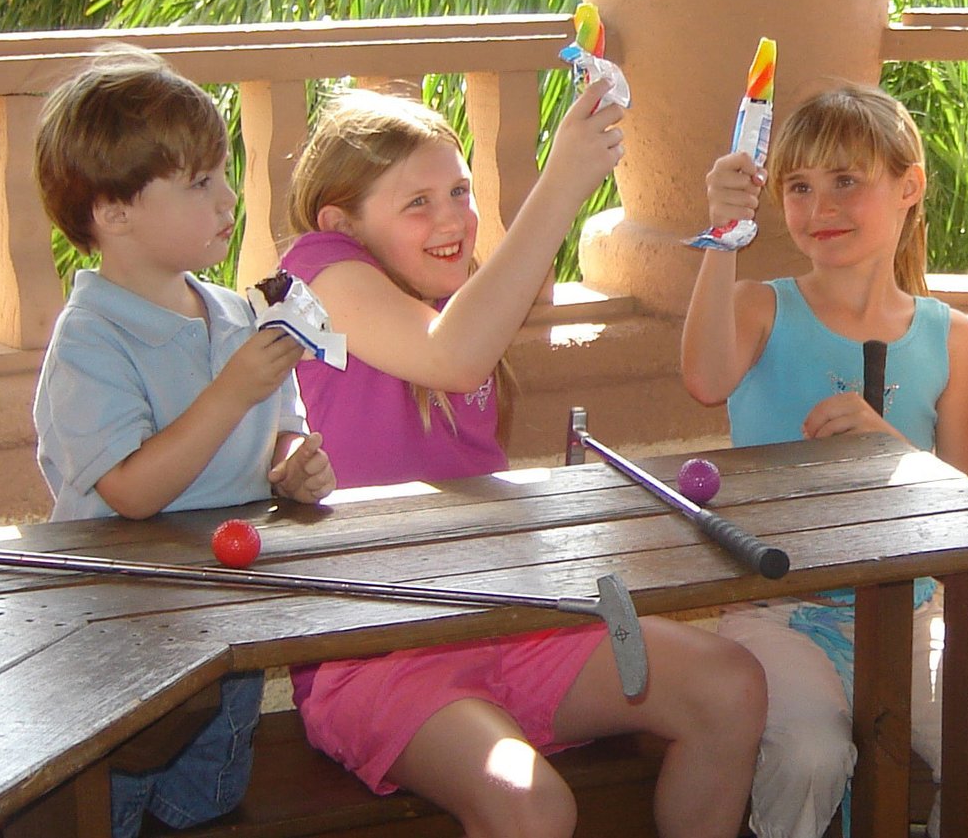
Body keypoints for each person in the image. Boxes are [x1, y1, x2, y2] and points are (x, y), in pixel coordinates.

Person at [276, 83, 765, 838]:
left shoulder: (450, 295)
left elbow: (507, 289)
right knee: (531, 804)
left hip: (511, 619)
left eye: (460, 191)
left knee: (729, 685)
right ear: (343, 221)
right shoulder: (316, 270)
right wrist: (564, 179)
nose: (452, 219)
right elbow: (456, 358)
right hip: (377, 650)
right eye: (418, 202)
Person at [680, 82, 968, 838]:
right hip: (778, 606)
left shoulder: (952, 334)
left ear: (909, 186)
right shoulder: (758, 305)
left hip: (911, 607)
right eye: (799, 186)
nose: (820, 206)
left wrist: (894, 453)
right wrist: (719, 236)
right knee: (808, 753)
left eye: (847, 181)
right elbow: (705, 378)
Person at [30, 46, 338, 838]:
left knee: (206, 807)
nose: (227, 197)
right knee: (113, 809)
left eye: (222, 173)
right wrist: (232, 389)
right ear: (113, 210)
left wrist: (292, 467)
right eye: (199, 182)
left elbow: (281, 430)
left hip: (226, 615)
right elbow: (130, 491)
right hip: (119, 633)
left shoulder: (237, 315)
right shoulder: (90, 340)